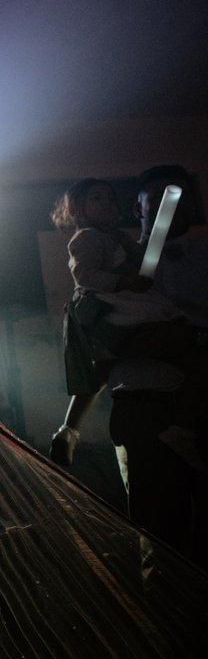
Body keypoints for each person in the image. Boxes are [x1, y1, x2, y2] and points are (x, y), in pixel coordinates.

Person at [51, 176, 208, 472]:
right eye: (96, 198)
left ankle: (69, 430)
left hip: (127, 305)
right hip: (115, 309)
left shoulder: (114, 237)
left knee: (105, 365)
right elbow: (85, 276)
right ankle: (69, 430)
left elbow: (145, 264)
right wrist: (124, 281)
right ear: (75, 209)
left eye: (110, 197)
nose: (107, 202)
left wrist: (126, 243)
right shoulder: (85, 238)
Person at [109, 164, 208, 572]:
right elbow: (100, 328)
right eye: (164, 197)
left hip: (204, 403)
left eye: (183, 198)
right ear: (138, 207)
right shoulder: (111, 260)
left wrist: (189, 340)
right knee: (160, 546)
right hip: (144, 408)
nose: (175, 206)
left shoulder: (204, 258)